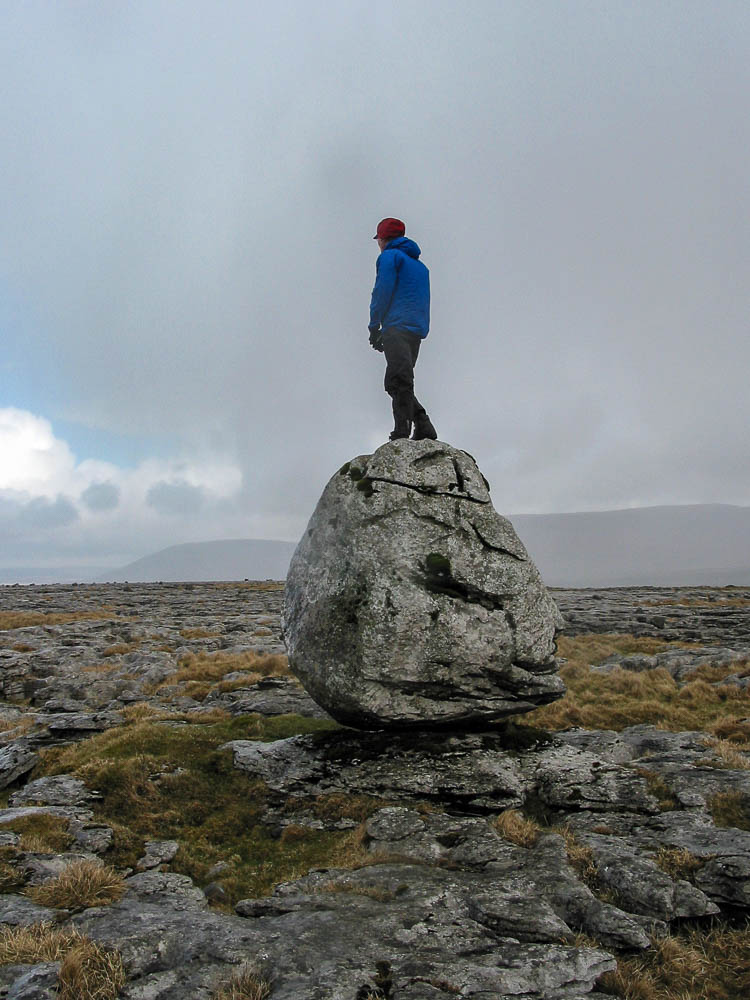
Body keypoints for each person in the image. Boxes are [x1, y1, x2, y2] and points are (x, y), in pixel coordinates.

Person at [368, 218, 438, 441]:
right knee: (400, 379)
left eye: (378, 239)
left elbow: (382, 290)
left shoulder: (389, 257)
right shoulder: (420, 267)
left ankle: (402, 430)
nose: (378, 243)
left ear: (383, 238)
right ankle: (422, 424)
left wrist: (374, 325)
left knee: (398, 380)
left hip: (396, 326)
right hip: (416, 329)